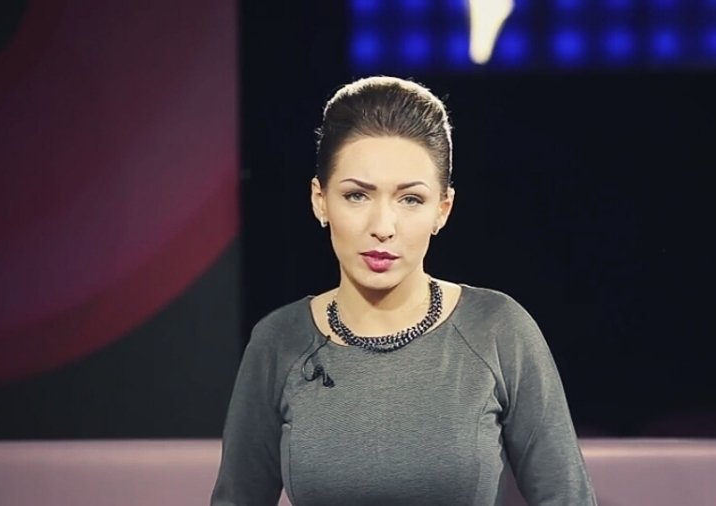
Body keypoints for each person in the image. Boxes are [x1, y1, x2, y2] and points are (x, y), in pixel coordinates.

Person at [211, 76, 596, 506]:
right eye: (357, 196)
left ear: (442, 209)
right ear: (320, 200)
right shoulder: (278, 342)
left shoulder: (497, 330)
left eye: (410, 199)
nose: (383, 227)